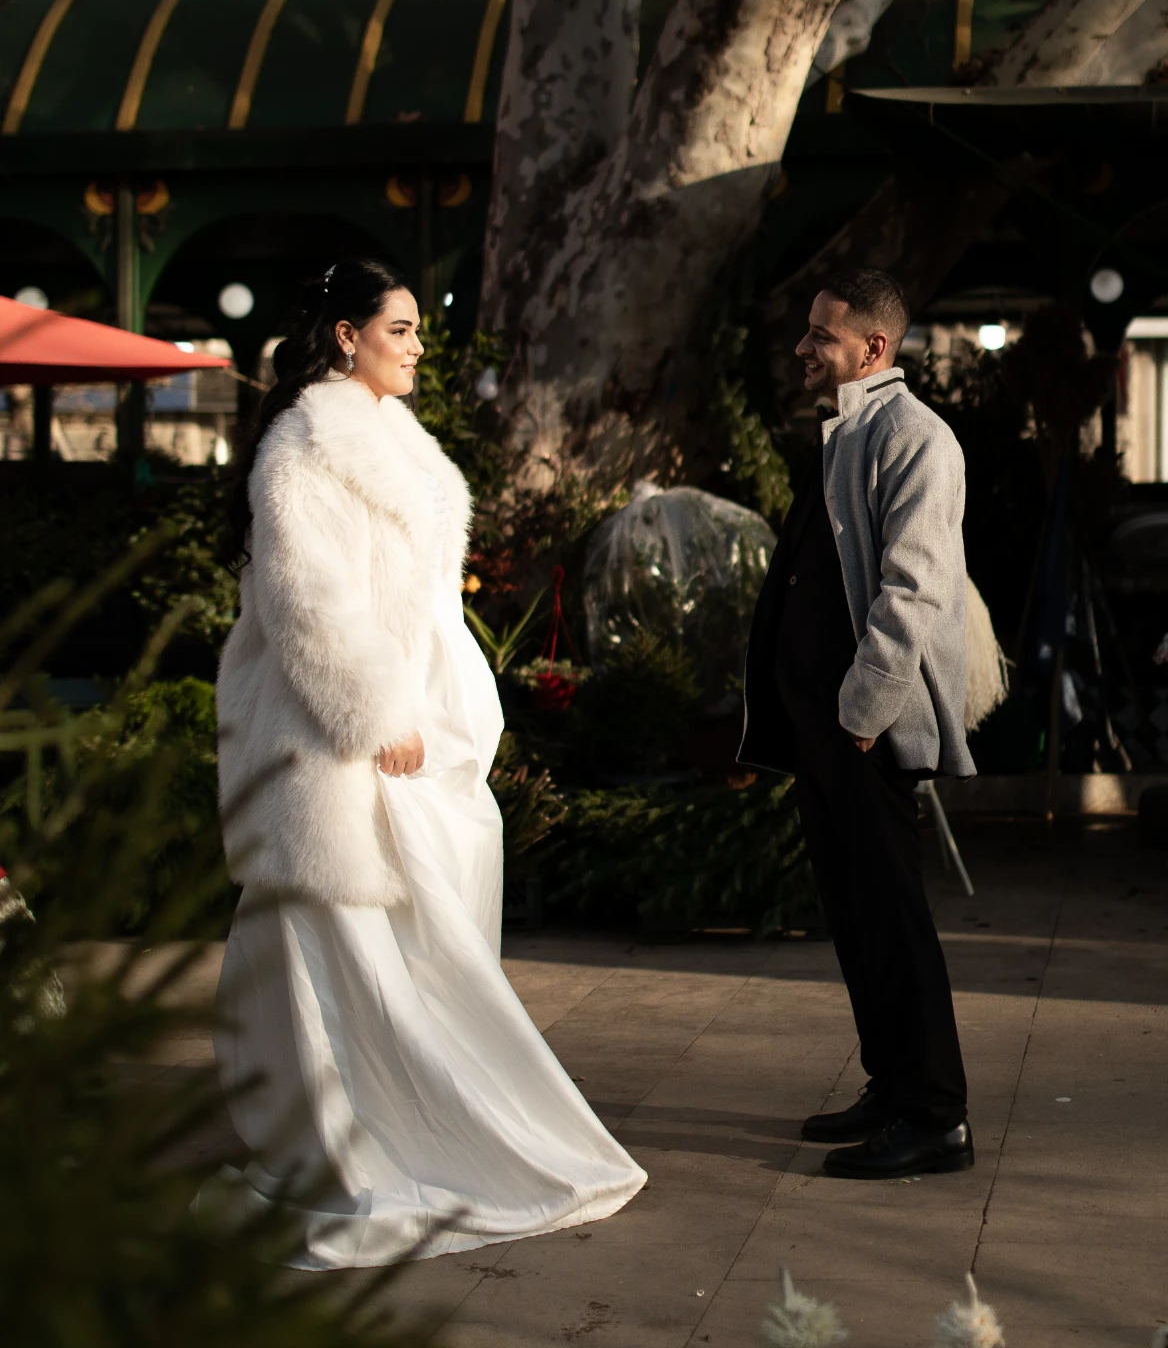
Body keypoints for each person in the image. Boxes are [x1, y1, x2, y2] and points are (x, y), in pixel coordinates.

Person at [211, 256, 645, 1269]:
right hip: (340, 743)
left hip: (419, 736)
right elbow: (305, 601)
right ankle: (358, 1142)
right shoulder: (303, 451)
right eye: (398, 329)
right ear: (344, 337)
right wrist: (370, 714)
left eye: (413, 328)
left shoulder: (388, 437)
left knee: (422, 944)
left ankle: (417, 1125)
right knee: (346, 956)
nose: (414, 345)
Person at [741, 269, 975, 1180]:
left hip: (863, 729)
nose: (804, 349)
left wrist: (864, 713)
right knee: (854, 917)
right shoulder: (848, 430)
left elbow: (916, 588)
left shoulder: (916, 438)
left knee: (894, 919)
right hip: (825, 728)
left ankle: (937, 1117)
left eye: (821, 336)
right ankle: (892, 1086)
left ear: (873, 349)